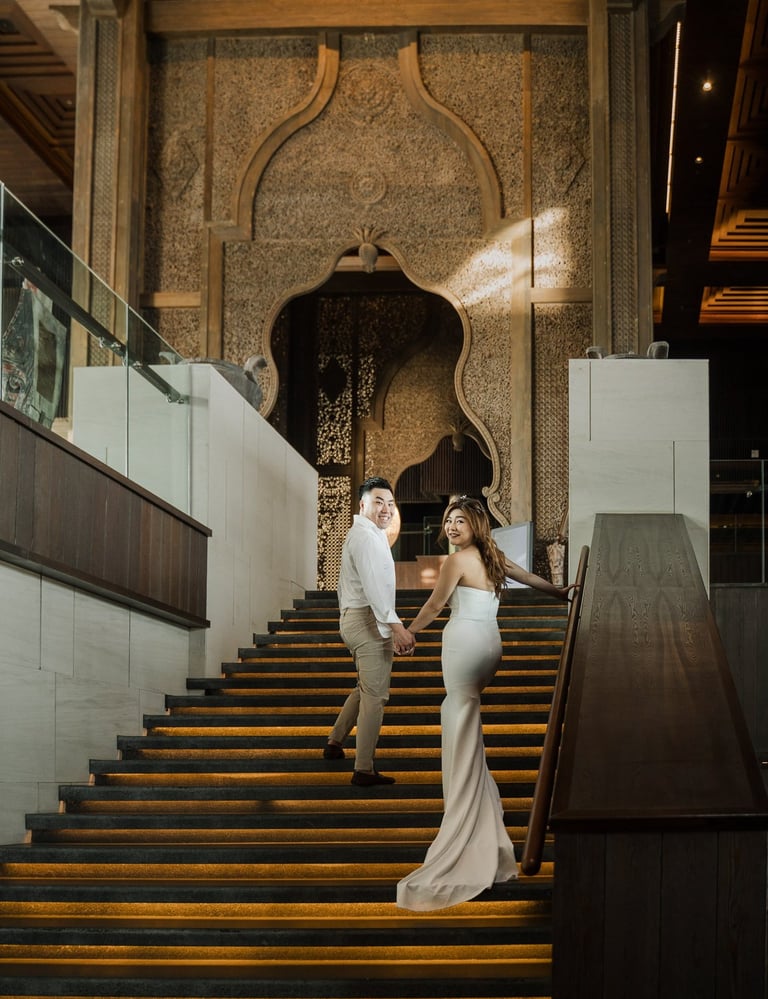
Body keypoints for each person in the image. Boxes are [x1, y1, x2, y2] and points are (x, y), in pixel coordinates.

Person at [396, 495, 574, 911]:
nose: (453, 527)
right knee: (465, 717)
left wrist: (408, 632)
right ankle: (477, 811)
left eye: (460, 521)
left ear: (476, 524)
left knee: (459, 717)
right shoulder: (493, 558)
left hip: (464, 644)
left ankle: (464, 819)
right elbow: (531, 578)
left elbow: (436, 605)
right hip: (490, 644)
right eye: (448, 521)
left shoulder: (456, 562)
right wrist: (561, 593)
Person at [324, 476, 415, 787]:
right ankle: (364, 769)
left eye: (390, 503)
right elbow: (376, 590)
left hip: (356, 618)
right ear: (362, 504)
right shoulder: (365, 537)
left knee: (366, 687)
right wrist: (397, 628)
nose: (386, 509)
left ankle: (335, 742)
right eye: (378, 502)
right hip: (366, 620)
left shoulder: (369, 534)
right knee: (376, 695)